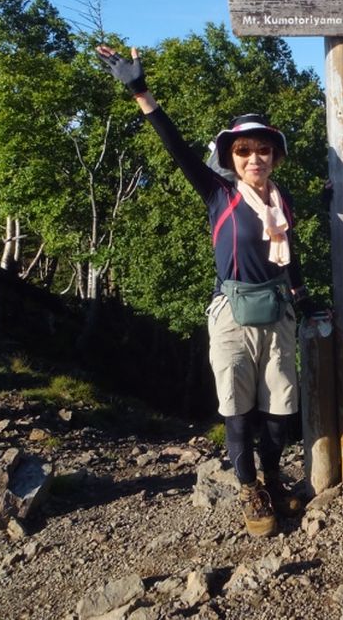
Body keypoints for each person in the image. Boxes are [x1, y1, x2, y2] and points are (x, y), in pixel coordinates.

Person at [97, 45, 310, 537]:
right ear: (230, 158)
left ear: (274, 155)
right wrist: (141, 93)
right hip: (231, 311)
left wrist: (302, 295)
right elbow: (175, 148)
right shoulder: (219, 194)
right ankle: (248, 487)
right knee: (237, 407)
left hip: (278, 310)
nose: (254, 157)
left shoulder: (284, 201)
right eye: (243, 150)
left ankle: (273, 477)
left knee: (280, 408)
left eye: (262, 149)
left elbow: (290, 254)